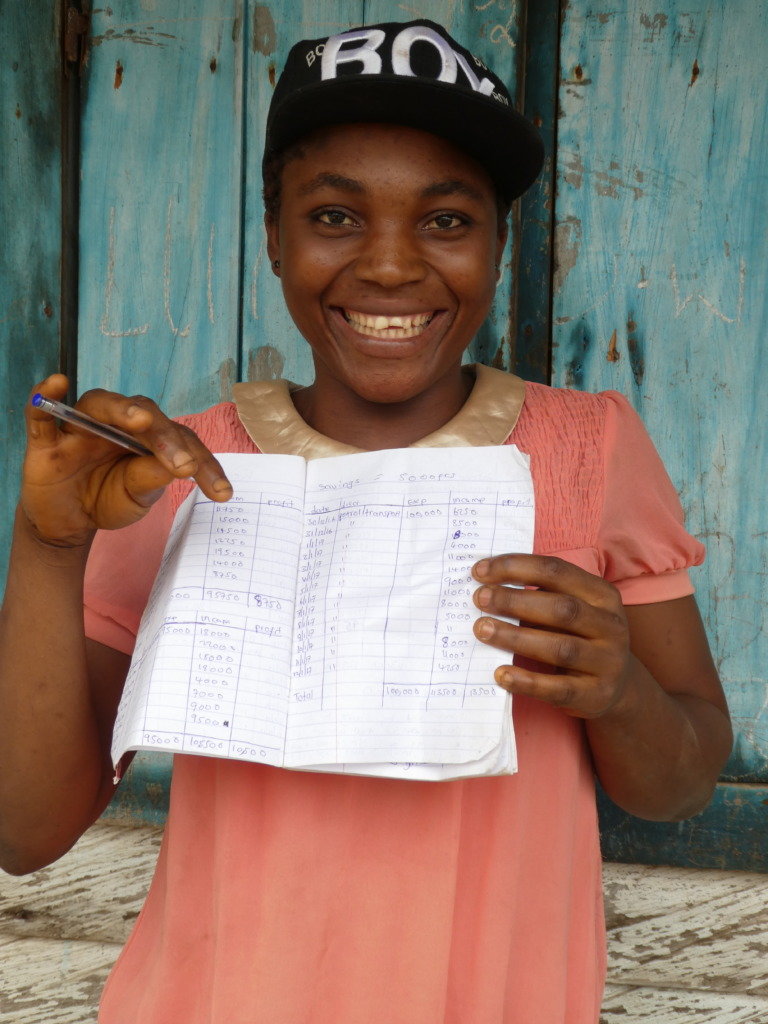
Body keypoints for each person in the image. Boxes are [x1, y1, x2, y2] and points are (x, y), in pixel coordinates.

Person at [0, 19, 731, 1024]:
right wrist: (48, 546)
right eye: (336, 216)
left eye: (446, 221)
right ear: (272, 236)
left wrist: (623, 693)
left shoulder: (587, 453)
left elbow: (683, 778)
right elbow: (25, 831)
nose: (390, 266)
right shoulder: (180, 471)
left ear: (500, 243)